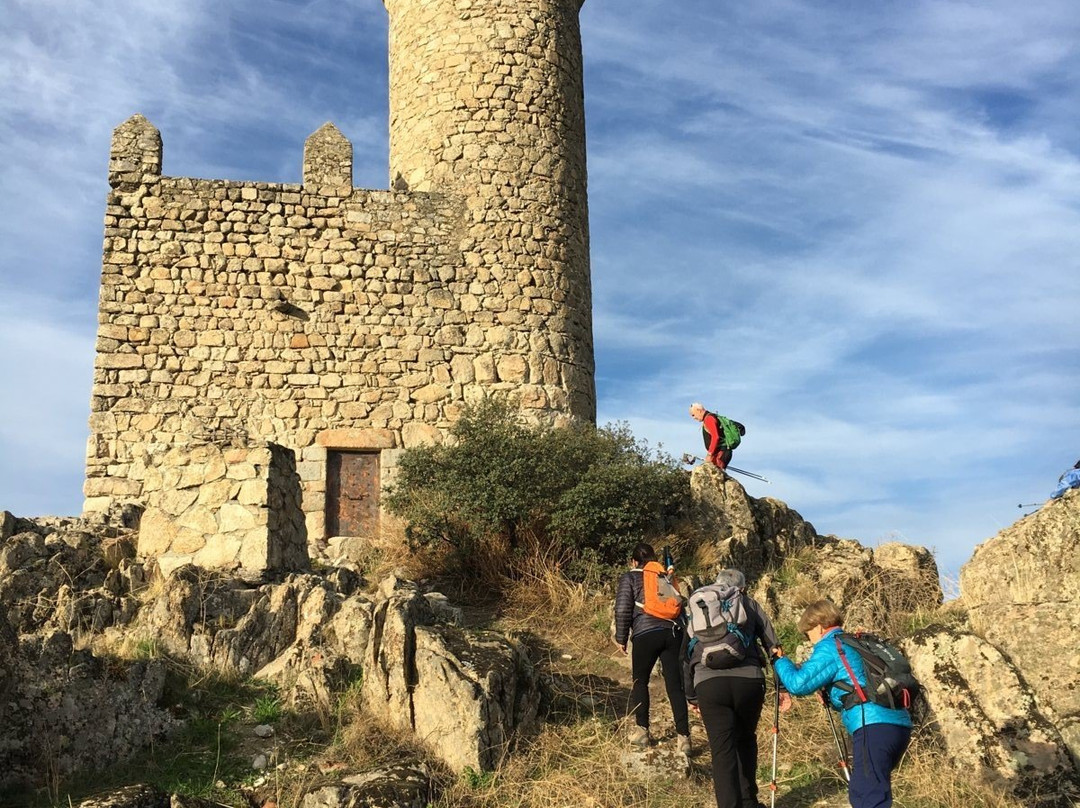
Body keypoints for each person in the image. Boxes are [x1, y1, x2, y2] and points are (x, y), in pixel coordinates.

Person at [772, 599, 912, 808]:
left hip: (872, 726)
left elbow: (798, 684)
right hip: (898, 723)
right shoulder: (856, 641)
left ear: (818, 626)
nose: (809, 640)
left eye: (807, 633)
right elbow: (858, 686)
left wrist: (780, 661)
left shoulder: (830, 646)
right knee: (869, 791)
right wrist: (832, 693)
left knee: (868, 798)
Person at [682, 568, 785, 808]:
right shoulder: (749, 604)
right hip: (748, 681)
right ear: (743, 588)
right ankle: (749, 802)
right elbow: (774, 647)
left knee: (721, 750)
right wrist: (783, 687)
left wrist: (691, 696)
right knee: (746, 739)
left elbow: (684, 656)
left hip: (708, 684)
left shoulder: (701, 607)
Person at [614, 542, 691, 752]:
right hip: (672, 633)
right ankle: (684, 737)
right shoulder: (662, 575)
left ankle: (643, 732)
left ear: (633, 561)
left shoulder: (630, 577)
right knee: (675, 685)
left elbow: (622, 610)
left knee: (640, 681)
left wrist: (621, 638)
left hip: (645, 634)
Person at [689, 402, 738, 470]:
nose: (693, 418)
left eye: (693, 415)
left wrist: (709, 454)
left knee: (714, 476)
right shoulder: (711, 417)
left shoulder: (709, 419)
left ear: (699, 410)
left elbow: (715, 437)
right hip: (721, 453)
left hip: (721, 454)